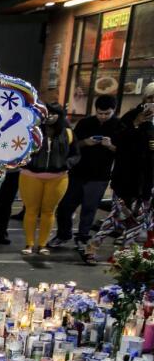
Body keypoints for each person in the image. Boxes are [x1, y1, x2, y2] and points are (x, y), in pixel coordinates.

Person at [51, 94, 125, 250]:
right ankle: (63, 235)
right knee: (65, 207)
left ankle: (83, 237)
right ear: (95, 110)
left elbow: (125, 152)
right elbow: (73, 145)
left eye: (107, 114)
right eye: (100, 113)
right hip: (78, 172)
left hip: (100, 176)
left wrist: (111, 145)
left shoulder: (120, 126)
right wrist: (86, 142)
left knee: (89, 209)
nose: (103, 117)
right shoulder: (85, 123)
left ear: (114, 111)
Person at [19, 103, 76, 255]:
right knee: (31, 210)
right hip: (30, 175)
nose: (49, 115)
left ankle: (43, 244)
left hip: (58, 177)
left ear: (60, 115)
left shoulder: (68, 133)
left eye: (53, 113)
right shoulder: (31, 131)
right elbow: (20, 148)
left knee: (49, 211)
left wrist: (66, 164)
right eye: (46, 112)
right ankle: (29, 244)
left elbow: (76, 154)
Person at [109, 84, 154, 209]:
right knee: (123, 215)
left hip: (149, 177)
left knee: (144, 219)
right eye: (150, 98)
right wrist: (135, 124)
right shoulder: (131, 116)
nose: (153, 101)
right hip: (127, 176)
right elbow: (117, 139)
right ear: (144, 99)